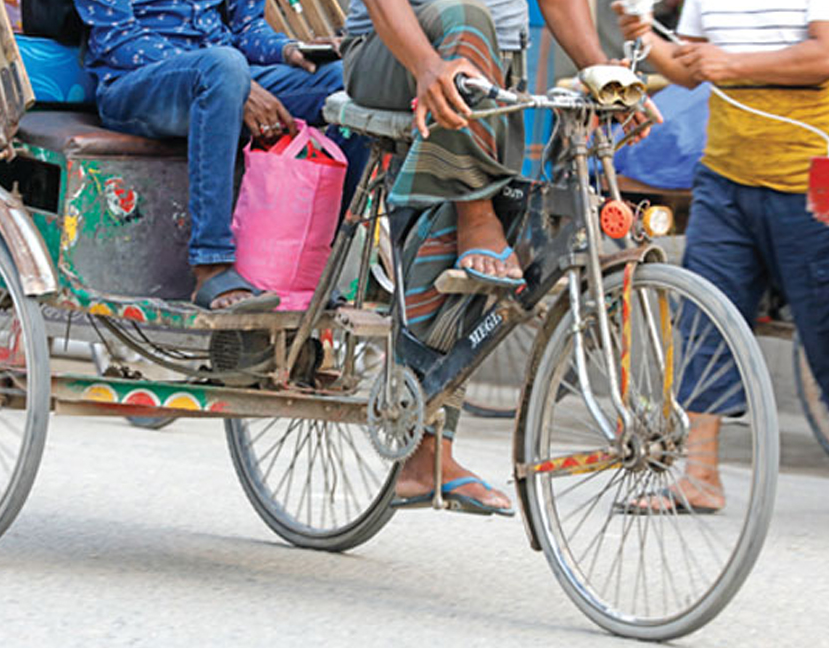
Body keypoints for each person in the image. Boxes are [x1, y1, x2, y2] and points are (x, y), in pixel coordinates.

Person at [343, 0, 655, 515]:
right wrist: (426, 65)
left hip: (494, 60)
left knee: (505, 243)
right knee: (469, 22)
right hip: (395, 53)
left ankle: (426, 456)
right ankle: (474, 216)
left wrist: (602, 72)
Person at [616, 0, 829, 512]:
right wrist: (644, 34)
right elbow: (691, 71)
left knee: (824, 324)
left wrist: (731, 65)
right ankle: (700, 477)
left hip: (815, 173)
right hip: (724, 175)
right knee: (704, 319)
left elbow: (824, 54)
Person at [74, 0, 360, 311]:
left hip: (227, 75)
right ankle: (211, 264)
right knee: (223, 67)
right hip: (136, 83)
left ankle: (310, 267)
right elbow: (119, 40)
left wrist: (288, 50)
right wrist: (235, 82)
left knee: (350, 81)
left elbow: (247, 30)